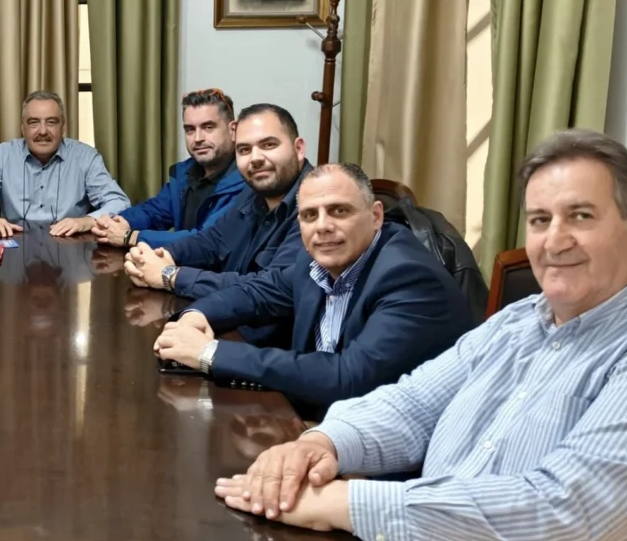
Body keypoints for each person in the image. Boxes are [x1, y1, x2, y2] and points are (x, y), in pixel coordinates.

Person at [214, 129, 627, 541]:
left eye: (580, 216)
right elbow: (414, 403)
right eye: (540, 220)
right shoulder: (520, 320)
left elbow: (560, 514)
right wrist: (322, 443)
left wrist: (344, 502)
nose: (555, 241)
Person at [154, 163, 473, 417]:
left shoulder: (408, 276)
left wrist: (209, 352)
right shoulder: (317, 256)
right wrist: (197, 315)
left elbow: (348, 379)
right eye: (309, 215)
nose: (322, 226)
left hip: (398, 451)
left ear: (376, 216)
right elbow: (259, 291)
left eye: (339, 211)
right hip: (327, 420)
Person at [124, 103, 310, 300]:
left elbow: (268, 289)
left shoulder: (316, 206)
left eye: (268, 145)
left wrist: (170, 275)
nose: (255, 158)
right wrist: (162, 256)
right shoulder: (253, 192)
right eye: (244, 149)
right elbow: (212, 240)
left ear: (298, 148)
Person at [0, 90, 130, 238]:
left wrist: (87, 221)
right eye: (34, 123)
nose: (43, 131)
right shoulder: (3, 155)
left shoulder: (86, 157)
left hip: (71, 248)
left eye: (51, 122)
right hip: (15, 247)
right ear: (23, 128)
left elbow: (119, 202)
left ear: (63, 127)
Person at [92, 88, 244, 249]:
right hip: (176, 262)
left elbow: (205, 241)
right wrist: (118, 222)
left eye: (208, 127)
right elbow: (155, 211)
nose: (198, 138)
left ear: (233, 130)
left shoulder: (248, 180)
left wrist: (131, 236)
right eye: (190, 130)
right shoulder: (185, 173)